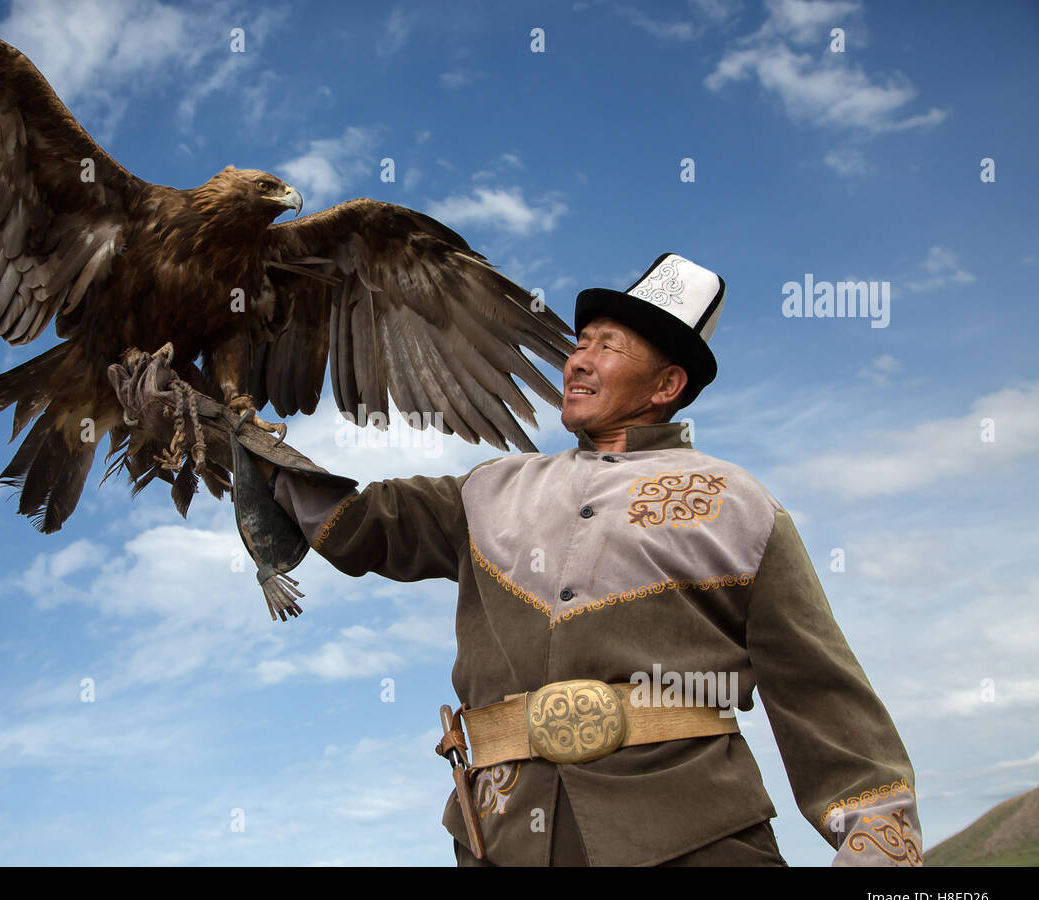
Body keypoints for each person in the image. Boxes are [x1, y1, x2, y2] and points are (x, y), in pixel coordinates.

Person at [248, 253, 922, 867]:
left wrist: (877, 846)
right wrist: (238, 441)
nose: (577, 360)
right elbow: (358, 524)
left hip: (694, 838)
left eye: (609, 346)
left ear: (667, 384)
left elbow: (818, 686)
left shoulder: (738, 503)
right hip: (497, 838)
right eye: (581, 343)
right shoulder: (487, 489)